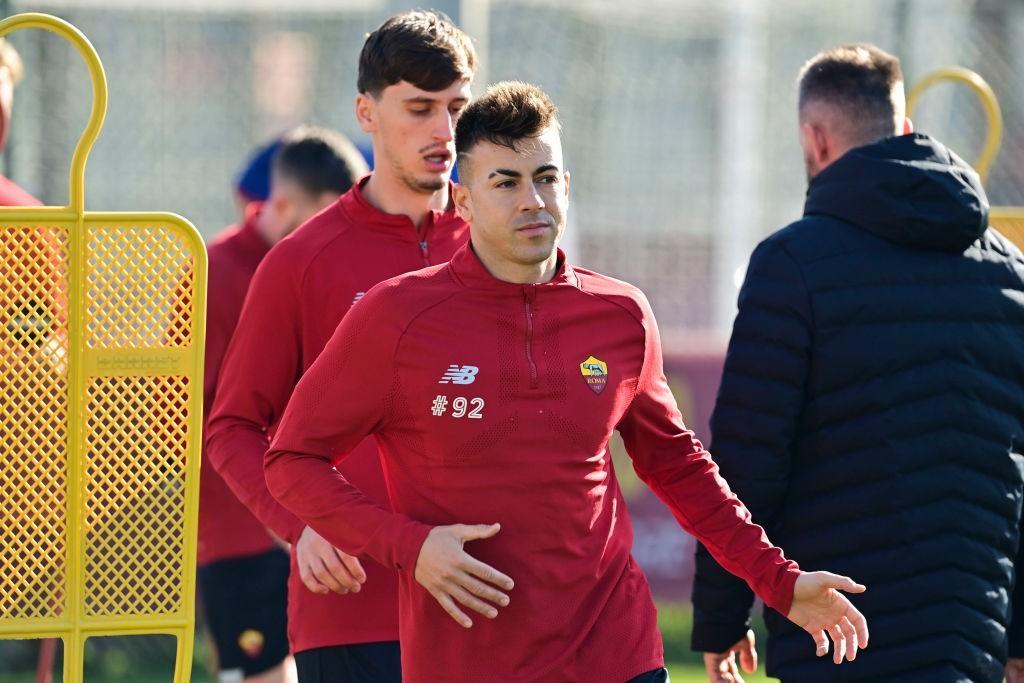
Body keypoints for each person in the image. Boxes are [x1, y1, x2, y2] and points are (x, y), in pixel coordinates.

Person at [263, 81, 869, 683]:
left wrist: (780, 581)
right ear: (464, 200)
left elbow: (679, 466)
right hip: (466, 665)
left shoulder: (621, 312)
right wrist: (409, 546)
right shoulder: (395, 316)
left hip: (617, 655)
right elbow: (291, 459)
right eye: (505, 182)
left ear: (567, 187)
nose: (533, 200)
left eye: (546, 177)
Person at [691, 44, 1024, 683]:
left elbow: (747, 460)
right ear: (901, 127)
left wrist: (721, 617)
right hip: (967, 643)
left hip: (833, 639)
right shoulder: (1009, 274)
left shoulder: (791, 266)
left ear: (814, 138)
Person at [205, 10, 476, 682]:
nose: (443, 131)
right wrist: (301, 526)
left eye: (457, 108)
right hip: (352, 613)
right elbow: (233, 425)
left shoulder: (497, 244)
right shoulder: (301, 261)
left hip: (489, 607)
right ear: (366, 112)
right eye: (419, 108)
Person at [199, 126, 367, 683]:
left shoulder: (320, 269)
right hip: (238, 526)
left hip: (312, 513)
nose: (333, 236)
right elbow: (205, 416)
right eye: (323, 220)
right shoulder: (216, 273)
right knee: (258, 674)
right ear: (283, 204)